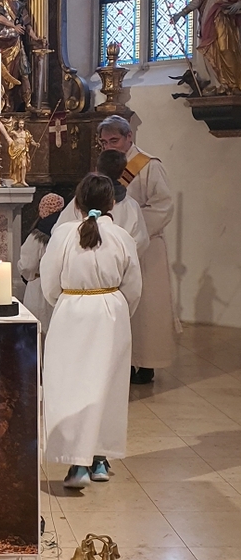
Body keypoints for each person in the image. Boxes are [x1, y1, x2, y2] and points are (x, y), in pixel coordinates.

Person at [41, 173, 142, 489]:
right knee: (107, 387)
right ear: (112, 203)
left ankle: (78, 464)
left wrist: (66, 303)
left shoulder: (63, 234)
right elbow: (133, 287)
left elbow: (49, 282)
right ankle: (99, 459)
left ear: (78, 204)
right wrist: (117, 310)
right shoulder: (122, 236)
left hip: (72, 311)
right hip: (111, 313)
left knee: (71, 387)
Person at [97, 115, 177, 383]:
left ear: (129, 137)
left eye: (114, 140)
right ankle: (124, 362)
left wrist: (133, 229)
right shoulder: (105, 167)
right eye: (104, 142)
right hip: (114, 244)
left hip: (146, 246)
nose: (109, 146)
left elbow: (163, 205)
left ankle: (146, 363)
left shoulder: (148, 165)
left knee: (146, 308)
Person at [54, 150, 149, 259]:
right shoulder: (131, 206)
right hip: (115, 264)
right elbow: (141, 241)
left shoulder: (82, 198)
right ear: (122, 173)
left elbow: (58, 234)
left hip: (77, 261)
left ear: (96, 169)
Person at [0, 0, 42, 110]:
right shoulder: (1, 1)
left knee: (24, 71)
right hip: (3, 41)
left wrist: (36, 38)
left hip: (17, 42)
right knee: (5, 73)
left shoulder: (20, 5)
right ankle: (5, 102)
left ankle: (28, 103)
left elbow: (27, 25)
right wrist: (14, 26)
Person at [18, 192, 64, 334]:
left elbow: (27, 265)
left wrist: (28, 276)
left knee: (37, 332)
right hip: (61, 287)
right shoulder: (66, 231)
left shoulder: (37, 235)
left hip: (39, 286)